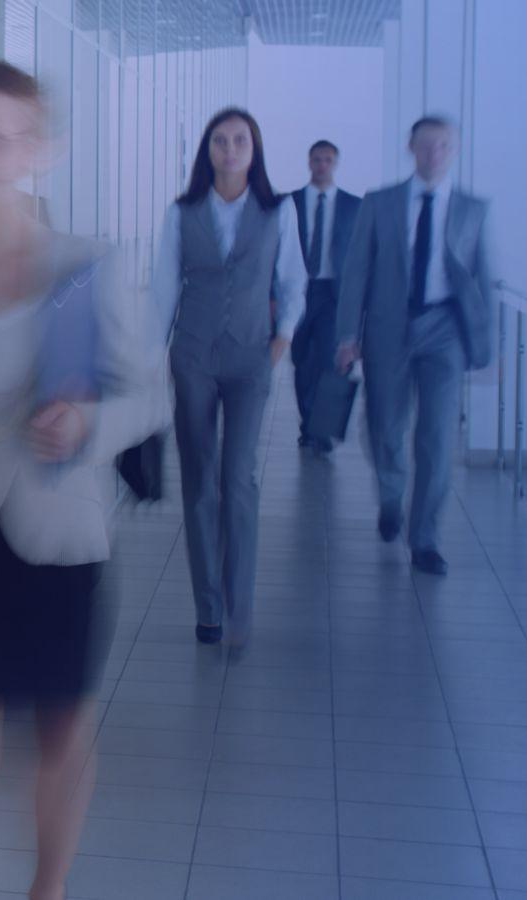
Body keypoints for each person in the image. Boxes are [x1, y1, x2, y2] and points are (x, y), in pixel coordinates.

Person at [0, 62, 168, 900]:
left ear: (41, 148)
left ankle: (46, 890)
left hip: (56, 534)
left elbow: (154, 392)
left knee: (62, 740)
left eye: (7, 134)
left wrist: (89, 426)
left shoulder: (90, 265)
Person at [149, 108, 307, 648]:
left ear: (255, 149)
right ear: (207, 151)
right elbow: (164, 287)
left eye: (240, 140)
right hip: (192, 356)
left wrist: (280, 339)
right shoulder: (182, 212)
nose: (230, 149)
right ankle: (209, 608)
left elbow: (293, 280)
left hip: (249, 360)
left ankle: (240, 603)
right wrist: (153, 355)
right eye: (220, 140)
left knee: (239, 478)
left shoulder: (277, 211)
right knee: (199, 483)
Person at [336, 116, 496, 576]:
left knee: (437, 435)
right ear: (411, 148)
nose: (435, 155)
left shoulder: (472, 210)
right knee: (385, 425)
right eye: (427, 146)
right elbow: (357, 272)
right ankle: (391, 494)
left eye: (444, 146)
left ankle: (424, 537)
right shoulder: (381, 203)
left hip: (444, 331)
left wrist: (487, 350)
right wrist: (349, 335)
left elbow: (483, 281)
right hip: (389, 326)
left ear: (455, 150)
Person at [288, 140, 363, 455]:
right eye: (317, 160)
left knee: (330, 362)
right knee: (302, 361)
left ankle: (323, 432)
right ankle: (309, 425)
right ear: (309, 162)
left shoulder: (353, 205)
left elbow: (362, 257)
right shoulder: (289, 203)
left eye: (328, 160)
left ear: (336, 163)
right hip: (300, 289)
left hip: (335, 292)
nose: (322, 165)